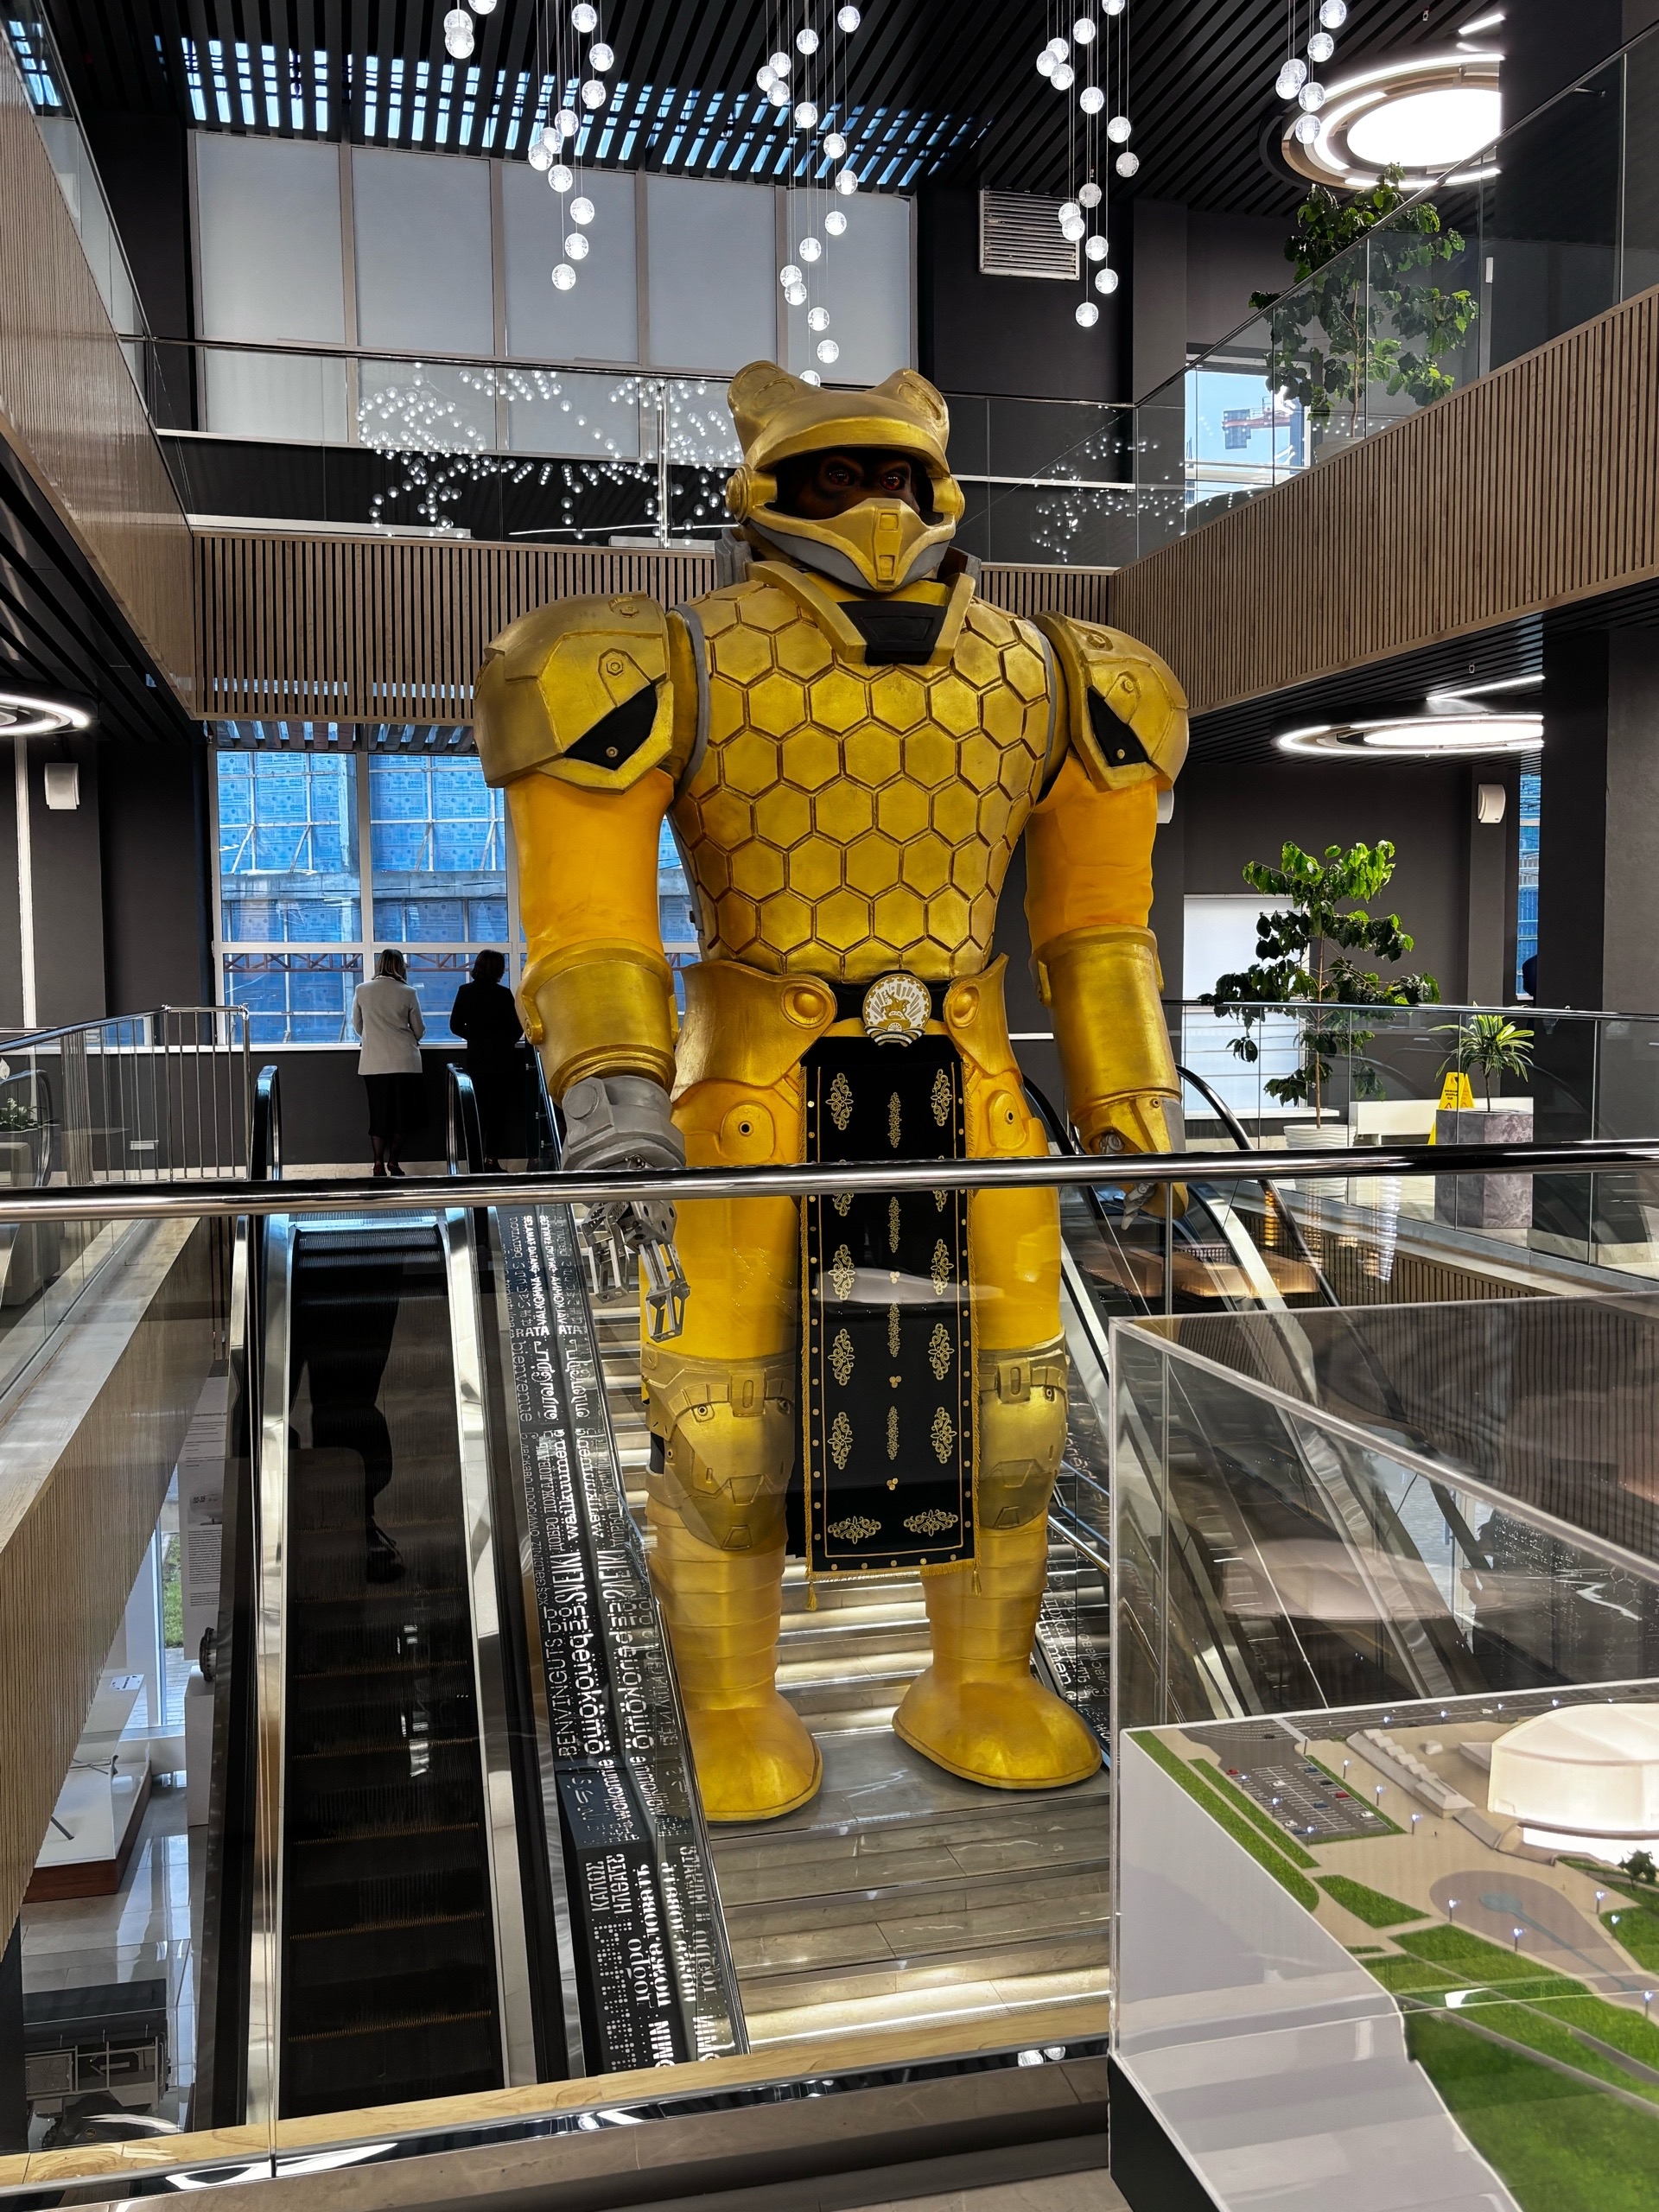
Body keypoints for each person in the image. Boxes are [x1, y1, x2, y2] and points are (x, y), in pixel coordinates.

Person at [474, 360, 1186, 1822]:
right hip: (751, 1097)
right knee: (728, 1423)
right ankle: (728, 1699)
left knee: (1010, 1412)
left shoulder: (1062, 674)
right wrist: (610, 1089)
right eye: (833, 477)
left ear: (945, 486)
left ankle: (977, 1674)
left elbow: (1100, 927)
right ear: (763, 495)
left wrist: (1135, 1096)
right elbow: (591, 923)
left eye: (895, 475)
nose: (873, 507)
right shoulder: (655, 658)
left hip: (973, 1102)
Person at [448, 949, 524, 1169]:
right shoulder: (503, 994)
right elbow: (517, 1027)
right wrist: (503, 1042)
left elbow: (455, 1025)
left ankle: (475, 1161)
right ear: (498, 970)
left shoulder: (465, 991)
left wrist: (475, 1037)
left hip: (477, 1060)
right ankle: (492, 1159)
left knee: (477, 1111)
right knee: (498, 1113)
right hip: (502, 1061)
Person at [352, 948, 425, 1177]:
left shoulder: (362, 990)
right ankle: (394, 1162)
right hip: (405, 1062)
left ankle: (377, 1163)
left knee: (379, 1114)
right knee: (401, 1115)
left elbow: (357, 1025)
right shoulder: (408, 992)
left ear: (379, 964)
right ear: (400, 966)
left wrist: (373, 1036)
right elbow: (419, 1030)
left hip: (373, 1063)